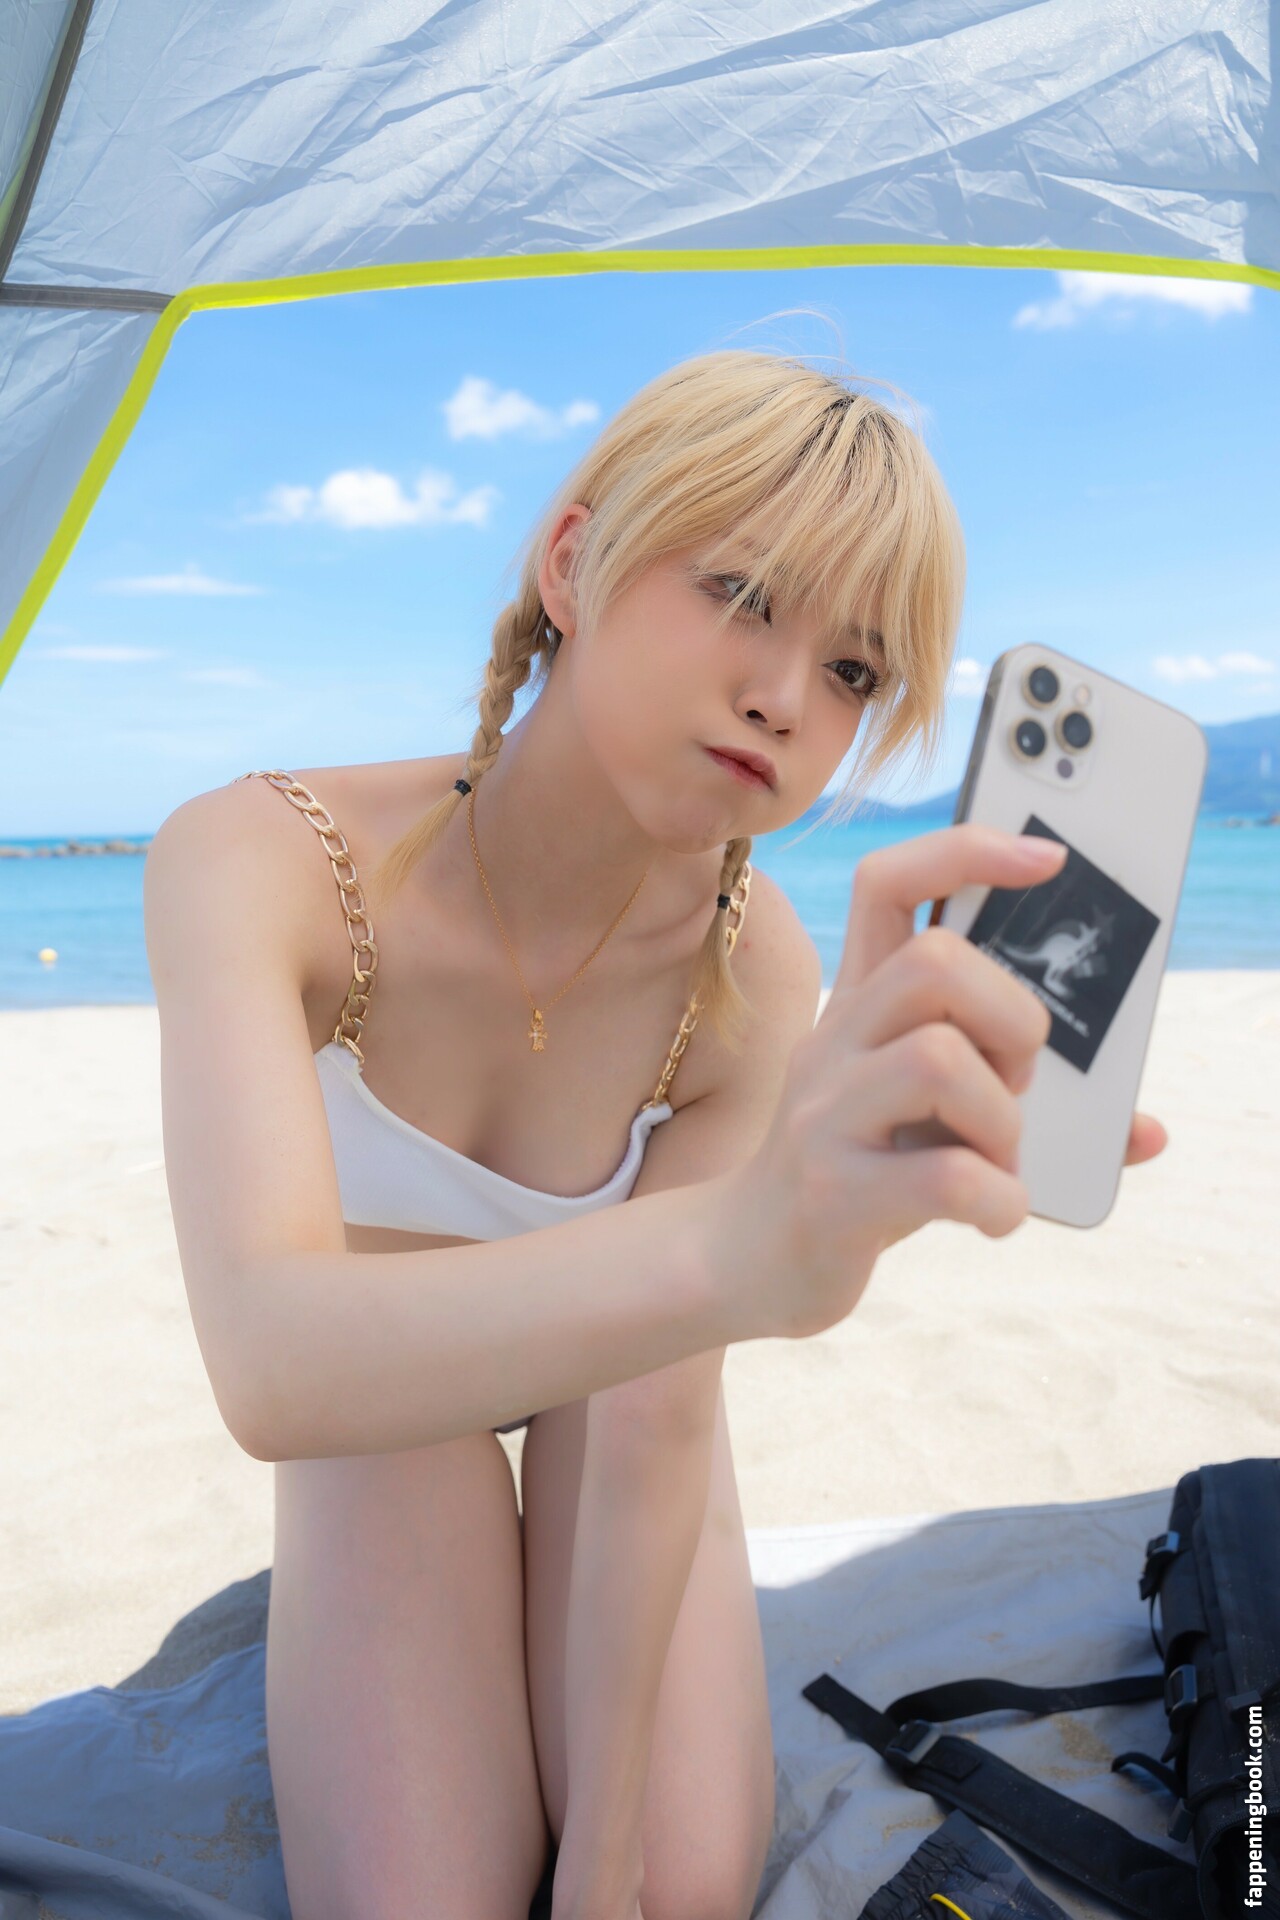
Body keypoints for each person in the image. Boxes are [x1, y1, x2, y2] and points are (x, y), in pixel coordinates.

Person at [142, 345, 1167, 1920]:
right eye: (743, 594)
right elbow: (273, 1365)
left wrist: (604, 1866)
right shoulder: (268, 861)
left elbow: (657, 1410)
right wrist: (741, 1252)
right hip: (372, 1415)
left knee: (684, 1884)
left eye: (853, 672)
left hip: (616, 1416)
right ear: (573, 565)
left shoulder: (750, 977)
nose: (785, 699)